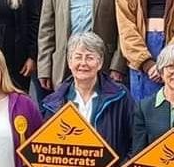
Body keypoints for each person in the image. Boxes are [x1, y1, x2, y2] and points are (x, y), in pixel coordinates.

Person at [41, 32, 134, 160]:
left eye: (90, 58)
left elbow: (136, 141)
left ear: (100, 63)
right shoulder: (53, 103)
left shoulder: (120, 96)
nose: (83, 63)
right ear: (69, 61)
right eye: (78, 57)